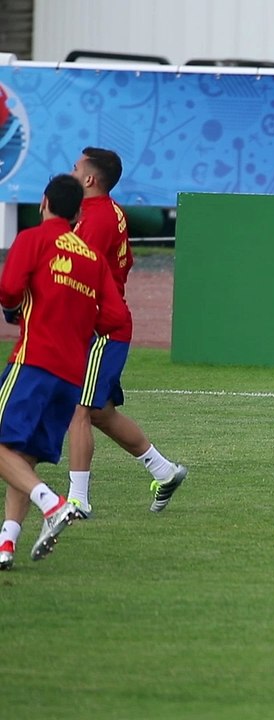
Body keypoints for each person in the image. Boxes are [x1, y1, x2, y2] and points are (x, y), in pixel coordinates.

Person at [0, 174, 128, 568]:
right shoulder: (91, 257)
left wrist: (20, 307)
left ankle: (53, 504)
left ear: (44, 203)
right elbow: (114, 317)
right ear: (77, 214)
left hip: (34, 362)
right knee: (22, 456)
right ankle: (7, 543)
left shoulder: (33, 239)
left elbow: (8, 290)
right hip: (71, 376)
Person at [66, 147, 187, 518]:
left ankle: (78, 500)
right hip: (106, 321)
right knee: (100, 412)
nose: (71, 172)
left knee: (80, 409)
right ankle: (163, 470)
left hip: (102, 326)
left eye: (75, 168)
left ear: (90, 178)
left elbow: (75, 271)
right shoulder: (109, 212)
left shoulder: (95, 218)